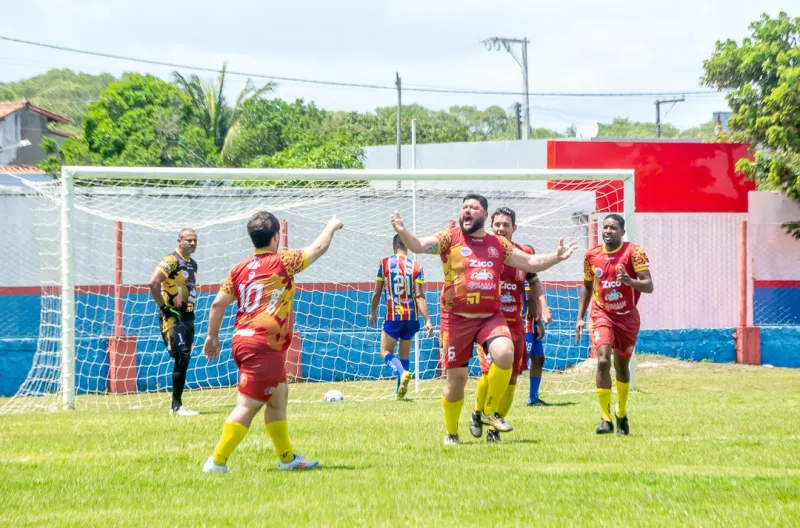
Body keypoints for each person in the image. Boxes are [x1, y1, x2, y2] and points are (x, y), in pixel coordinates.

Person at [391, 194, 577, 445]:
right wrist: (403, 232)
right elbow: (419, 246)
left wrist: (556, 256)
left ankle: (488, 413)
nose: (467, 211)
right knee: (457, 381)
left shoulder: (497, 244)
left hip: (491, 316)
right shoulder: (450, 237)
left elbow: (530, 261)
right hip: (456, 318)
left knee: (505, 354)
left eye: (473, 207)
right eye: (464, 207)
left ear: (484, 215)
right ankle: (452, 433)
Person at [202, 212, 343, 473]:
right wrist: (332, 225)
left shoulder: (239, 269)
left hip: (245, 341)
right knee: (247, 406)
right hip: (262, 345)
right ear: (276, 237)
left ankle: (287, 459)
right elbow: (318, 248)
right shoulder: (283, 261)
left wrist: (212, 336)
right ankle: (217, 461)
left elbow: (217, 303)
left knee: (278, 399)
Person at [576, 214, 653, 435]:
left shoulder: (634, 252)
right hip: (602, 314)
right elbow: (587, 286)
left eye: (613, 228)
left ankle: (621, 412)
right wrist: (580, 317)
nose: (608, 231)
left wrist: (631, 282)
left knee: (621, 367)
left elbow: (649, 285)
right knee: (602, 361)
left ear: (622, 231)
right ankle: (605, 418)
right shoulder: (591, 255)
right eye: (605, 227)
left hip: (627, 317)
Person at [469, 207, 536, 442]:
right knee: (489, 374)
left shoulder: (524, 253)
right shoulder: (482, 253)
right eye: (497, 224)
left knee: (513, 379)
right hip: (489, 325)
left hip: (516, 324)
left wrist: (541, 307)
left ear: (514, 228)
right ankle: (478, 412)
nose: (500, 229)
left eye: (505, 225)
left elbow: (533, 280)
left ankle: (494, 429)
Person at [369, 235, 433, 400]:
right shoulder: (417, 266)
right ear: (408, 246)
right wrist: (428, 320)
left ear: (393, 245)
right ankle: (399, 393)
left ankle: (401, 372)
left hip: (393, 316)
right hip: (412, 319)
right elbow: (419, 296)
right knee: (404, 356)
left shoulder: (384, 264)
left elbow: (377, 293)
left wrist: (373, 311)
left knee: (385, 352)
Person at [147, 228, 199, 416]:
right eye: (188, 240)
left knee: (184, 359)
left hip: (188, 317)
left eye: (194, 240)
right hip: (172, 317)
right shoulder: (171, 261)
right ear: (179, 241)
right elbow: (153, 282)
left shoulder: (193, 264)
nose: (192, 243)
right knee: (181, 357)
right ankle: (176, 407)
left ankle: (177, 406)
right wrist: (164, 307)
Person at [524, 249, 552, 406]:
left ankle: (533, 398)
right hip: (526, 324)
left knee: (538, 359)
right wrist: (538, 322)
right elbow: (530, 300)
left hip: (532, 325)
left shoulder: (532, 275)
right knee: (518, 364)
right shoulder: (525, 277)